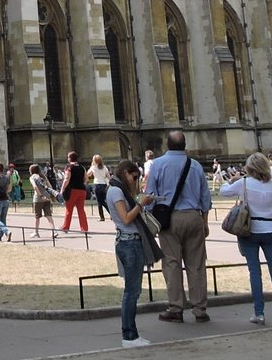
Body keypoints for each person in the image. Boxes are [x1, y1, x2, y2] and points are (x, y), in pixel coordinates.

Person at [220, 152, 272, 326]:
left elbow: (224, 192)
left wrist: (230, 180)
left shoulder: (245, 183)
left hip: (251, 228)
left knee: (255, 272)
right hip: (270, 228)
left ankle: (259, 313)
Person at [145, 131, 212, 323]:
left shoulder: (158, 164)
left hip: (169, 219)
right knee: (196, 264)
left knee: (172, 264)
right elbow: (205, 197)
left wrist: (151, 217)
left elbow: (149, 196)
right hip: (194, 216)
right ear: (185, 145)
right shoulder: (195, 165)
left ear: (167, 145)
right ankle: (200, 309)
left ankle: (175, 307)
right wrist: (205, 222)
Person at [105, 158, 156, 347]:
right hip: (129, 243)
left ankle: (132, 334)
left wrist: (137, 196)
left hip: (127, 242)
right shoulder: (116, 191)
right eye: (134, 177)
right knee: (131, 292)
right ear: (125, 173)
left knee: (133, 291)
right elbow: (126, 218)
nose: (136, 180)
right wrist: (141, 204)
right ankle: (129, 336)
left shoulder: (118, 190)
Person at [60, 150, 91, 234]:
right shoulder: (82, 167)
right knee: (81, 210)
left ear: (70, 158)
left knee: (69, 209)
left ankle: (65, 227)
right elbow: (86, 179)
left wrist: (62, 189)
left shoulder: (69, 167)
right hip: (82, 190)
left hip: (72, 190)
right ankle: (84, 228)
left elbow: (67, 179)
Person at [29, 163, 60, 239]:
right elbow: (50, 186)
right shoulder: (43, 176)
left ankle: (36, 232)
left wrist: (40, 195)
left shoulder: (32, 177)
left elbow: (35, 186)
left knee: (37, 216)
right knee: (49, 215)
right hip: (47, 197)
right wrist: (51, 195)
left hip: (38, 198)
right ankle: (54, 231)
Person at [88, 154, 113, 220]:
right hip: (104, 185)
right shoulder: (104, 167)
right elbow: (109, 177)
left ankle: (110, 214)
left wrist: (91, 166)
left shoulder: (93, 167)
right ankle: (102, 216)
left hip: (97, 184)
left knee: (100, 201)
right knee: (103, 200)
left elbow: (88, 174)